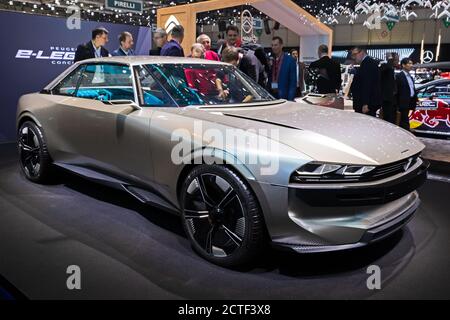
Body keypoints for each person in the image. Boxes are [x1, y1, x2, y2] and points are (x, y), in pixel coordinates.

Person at [350, 46, 382, 116]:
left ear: (362, 52)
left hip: (365, 105)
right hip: (364, 103)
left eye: (354, 54)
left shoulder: (368, 64)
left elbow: (367, 84)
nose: (353, 57)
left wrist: (365, 103)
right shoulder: (367, 63)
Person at [268, 37, 297, 101]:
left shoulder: (290, 60)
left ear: (281, 46)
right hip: (272, 95)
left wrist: (290, 100)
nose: (273, 47)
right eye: (272, 45)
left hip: (284, 96)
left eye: (276, 45)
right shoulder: (272, 60)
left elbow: (293, 82)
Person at [395, 58, 417, 131]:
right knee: (403, 120)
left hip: (410, 101)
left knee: (405, 118)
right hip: (402, 102)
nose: (411, 65)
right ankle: (406, 133)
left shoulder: (410, 76)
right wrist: (397, 105)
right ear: (403, 65)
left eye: (412, 63)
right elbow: (396, 91)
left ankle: (406, 131)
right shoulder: (399, 76)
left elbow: (412, 88)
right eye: (409, 63)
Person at [379, 52, 398, 124]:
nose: (397, 61)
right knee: (388, 120)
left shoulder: (393, 69)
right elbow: (385, 68)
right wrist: (389, 59)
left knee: (393, 119)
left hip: (394, 100)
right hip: (387, 100)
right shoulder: (385, 66)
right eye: (396, 59)